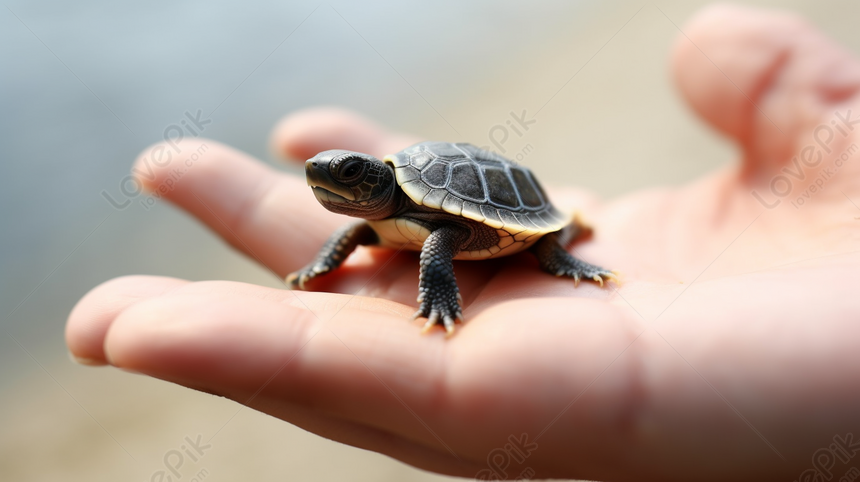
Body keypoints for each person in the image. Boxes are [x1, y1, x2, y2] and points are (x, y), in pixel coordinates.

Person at [65, 4, 860, 480]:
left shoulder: (420, 213)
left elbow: (436, 239)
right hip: (433, 212)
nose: (330, 179)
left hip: (505, 219)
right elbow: (362, 229)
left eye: (345, 172)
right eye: (326, 178)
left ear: (375, 173)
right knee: (399, 236)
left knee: (501, 246)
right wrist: (322, 264)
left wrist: (456, 286)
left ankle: (564, 255)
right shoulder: (373, 214)